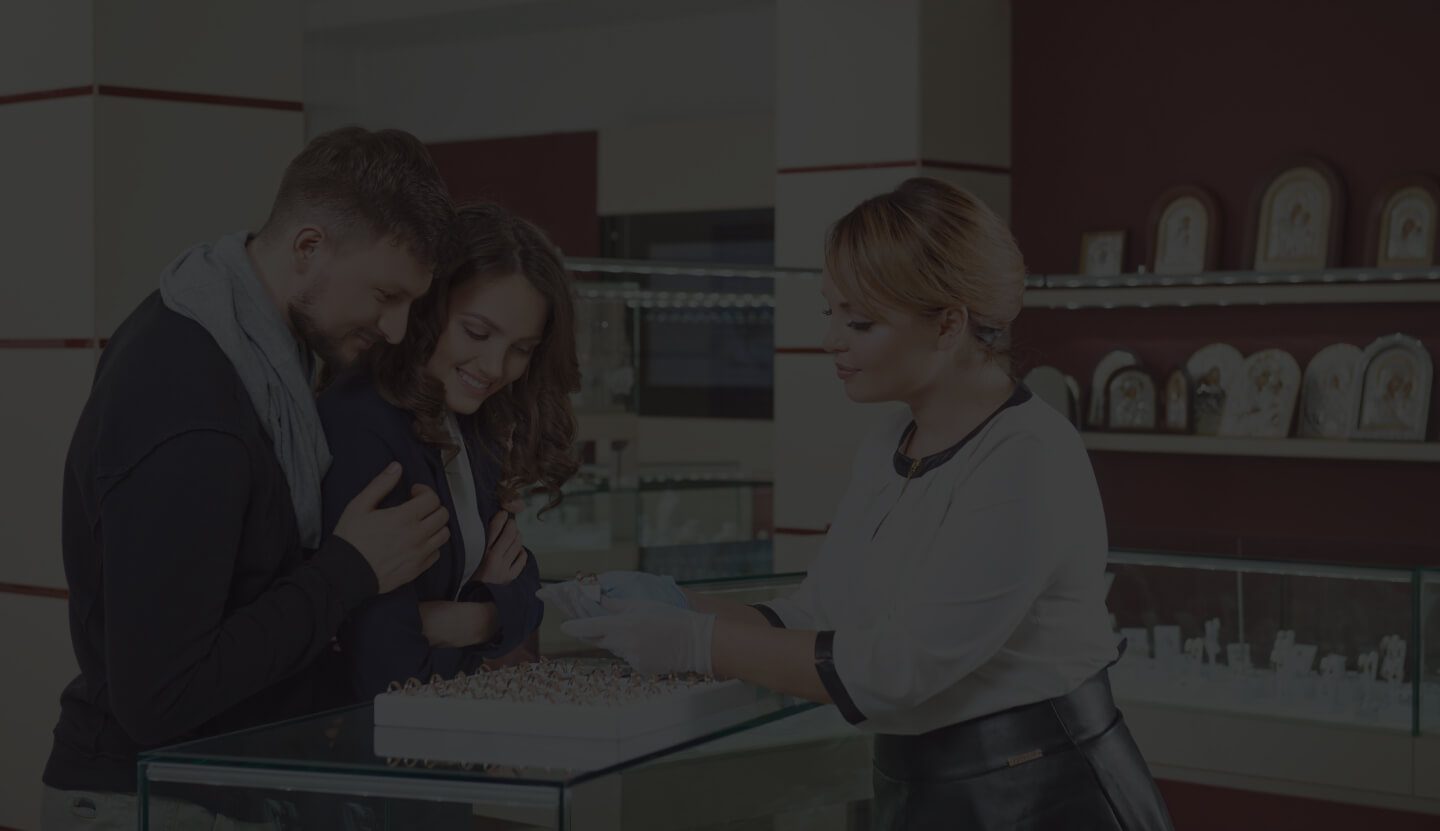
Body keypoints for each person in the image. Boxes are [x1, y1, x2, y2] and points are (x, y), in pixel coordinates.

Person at [545, 178, 1174, 830]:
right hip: (924, 788)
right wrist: (675, 602)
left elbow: (900, 666)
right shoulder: (887, 444)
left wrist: (697, 642)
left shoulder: (1028, 456)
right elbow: (819, 614)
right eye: (830, 313)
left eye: (859, 322)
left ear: (949, 325)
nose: (830, 341)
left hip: (1044, 795)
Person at [42, 127, 456, 830]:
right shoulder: (190, 398)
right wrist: (351, 568)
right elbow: (160, 695)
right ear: (308, 249)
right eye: (386, 294)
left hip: (203, 787)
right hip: (145, 798)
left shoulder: (256, 348)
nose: (395, 327)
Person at [318, 203, 579, 702]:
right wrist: (488, 623)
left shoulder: (472, 421)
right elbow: (385, 670)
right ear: (427, 307)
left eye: (522, 349)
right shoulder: (363, 424)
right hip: (364, 748)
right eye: (477, 333)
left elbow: (528, 587)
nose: (495, 366)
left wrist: (470, 618)